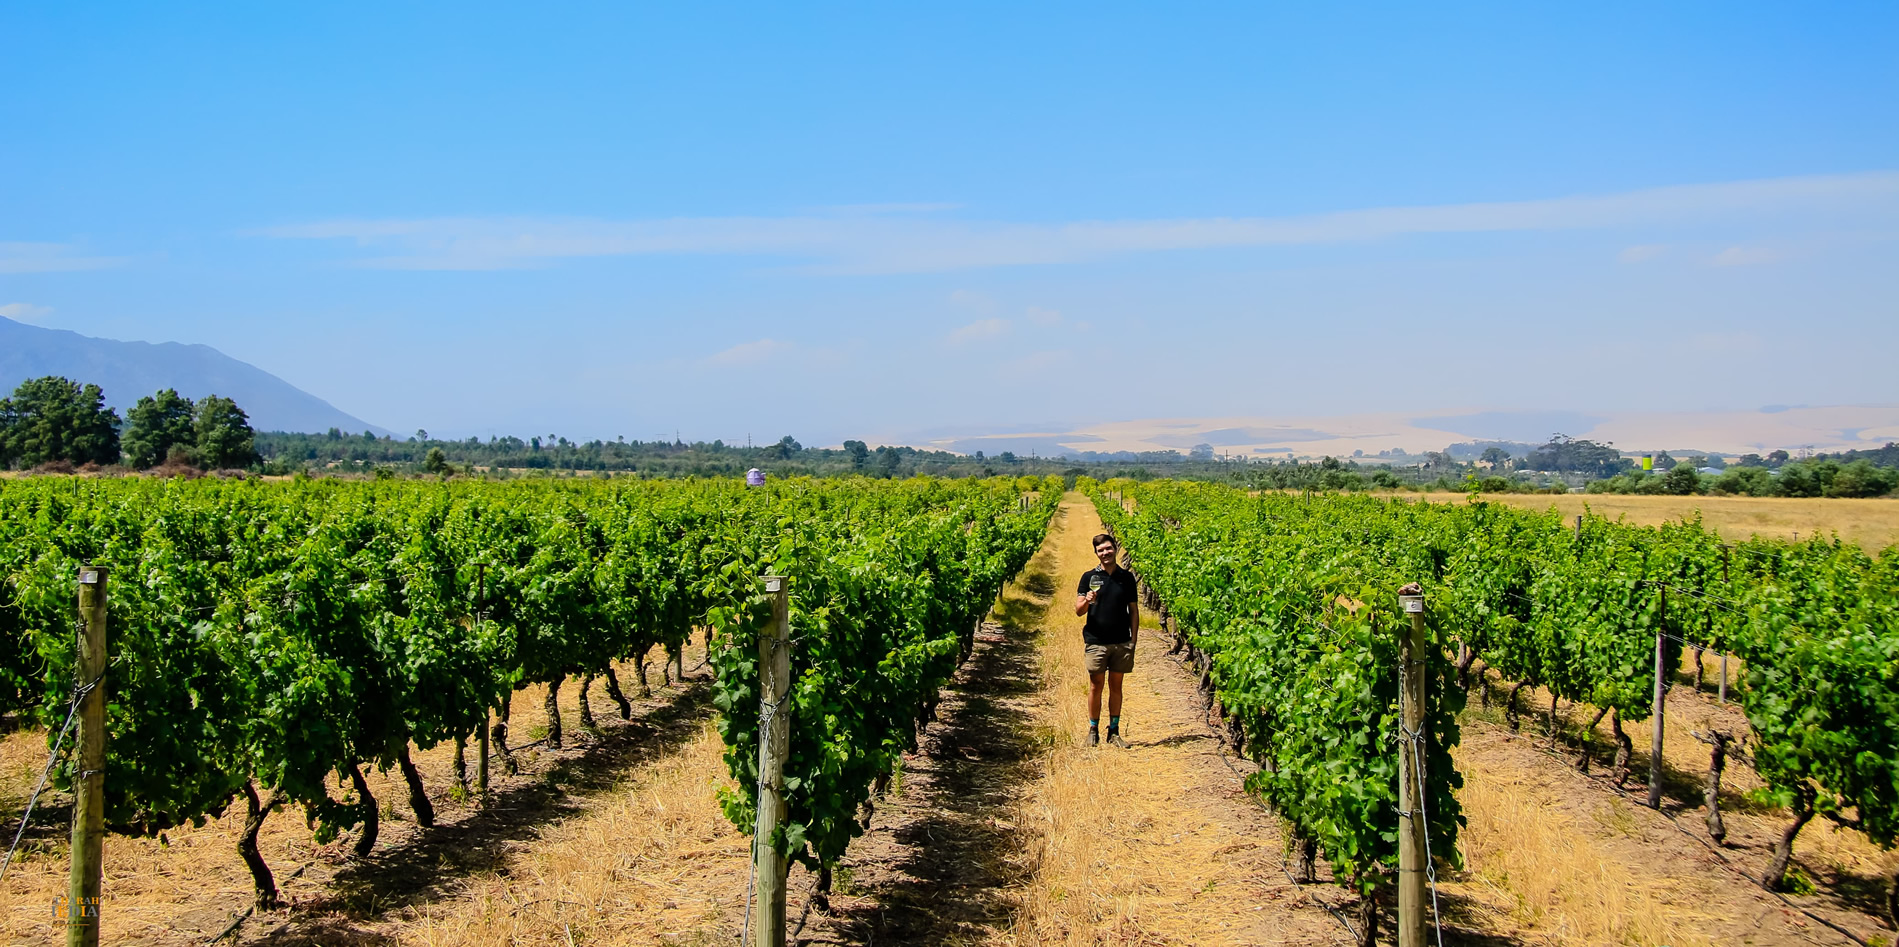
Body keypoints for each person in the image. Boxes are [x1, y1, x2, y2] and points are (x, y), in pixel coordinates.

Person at [1074, 532, 1139, 747]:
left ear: (1115, 549)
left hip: (1121, 641)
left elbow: (1133, 611)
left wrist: (1133, 640)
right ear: (1096, 553)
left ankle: (1114, 731)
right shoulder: (1089, 578)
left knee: (1116, 686)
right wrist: (1087, 600)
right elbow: (1079, 611)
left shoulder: (1126, 578)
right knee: (1096, 685)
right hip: (1096, 640)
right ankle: (1093, 730)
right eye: (1100, 550)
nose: (1105, 553)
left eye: (1108, 548)